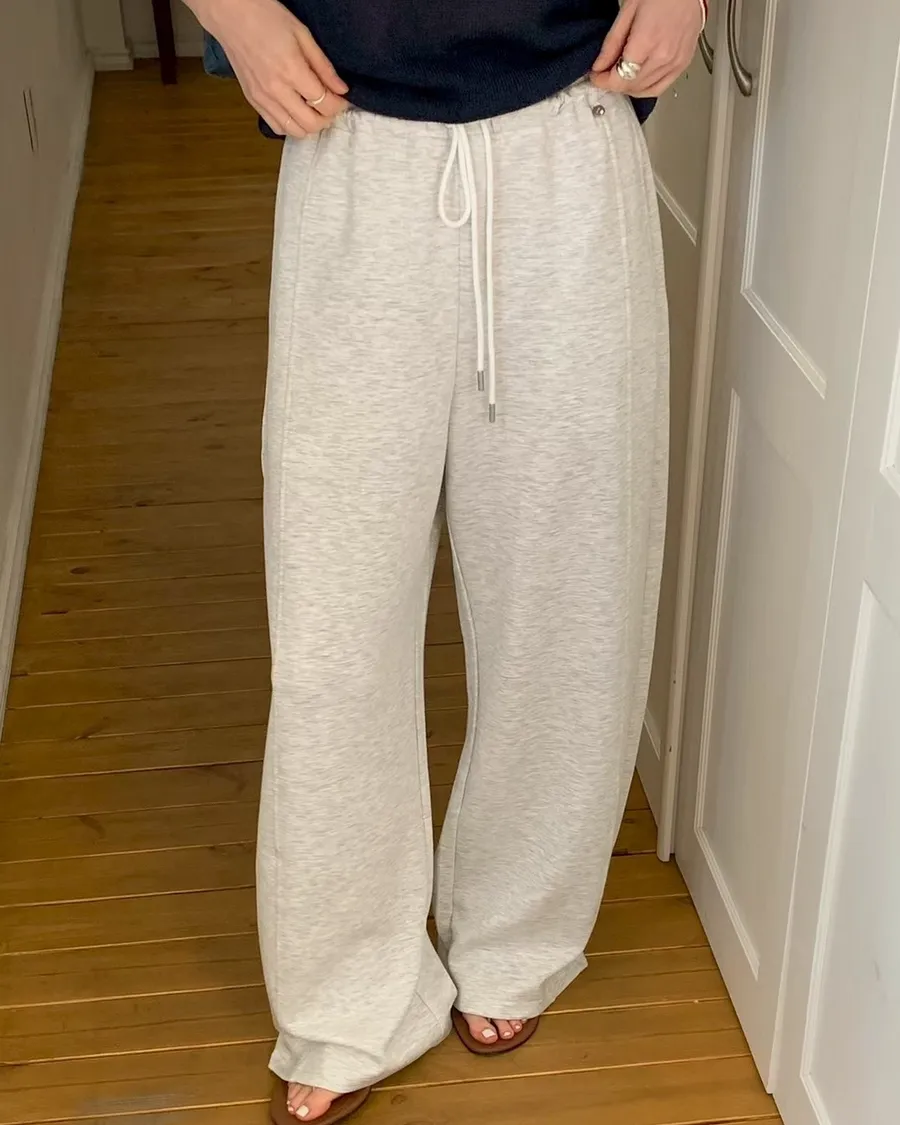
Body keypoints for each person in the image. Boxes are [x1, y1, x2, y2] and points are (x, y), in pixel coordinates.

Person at [182, 1, 702, 1121]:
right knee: (334, 623)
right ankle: (348, 996)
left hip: (570, 131)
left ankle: (518, 933)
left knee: (571, 594)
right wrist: (234, 12)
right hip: (351, 142)